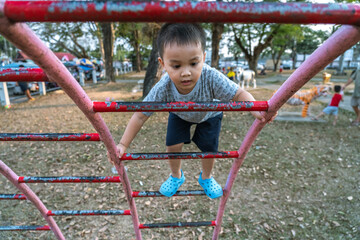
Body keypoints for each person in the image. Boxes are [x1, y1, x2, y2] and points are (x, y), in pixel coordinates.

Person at [110, 23, 274, 199]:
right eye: (176, 66)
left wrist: (256, 109)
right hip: (180, 114)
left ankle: (206, 177)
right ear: (163, 64)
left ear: (203, 58)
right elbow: (141, 115)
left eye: (194, 63)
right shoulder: (164, 86)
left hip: (209, 114)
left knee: (209, 149)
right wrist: (123, 144)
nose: (186, 72)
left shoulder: (211, 76)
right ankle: (176, 176)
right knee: (172, 145)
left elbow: (239, 93)